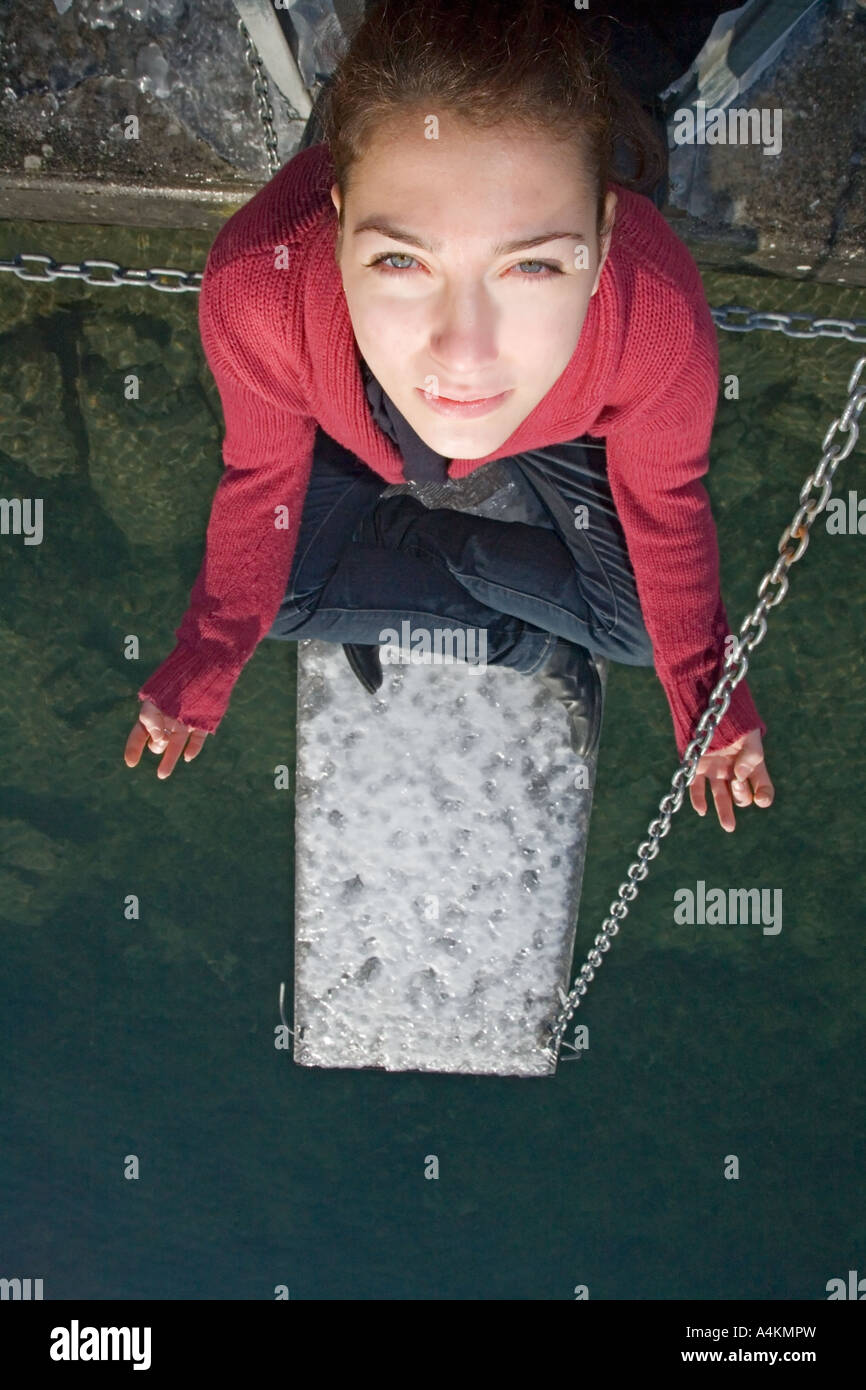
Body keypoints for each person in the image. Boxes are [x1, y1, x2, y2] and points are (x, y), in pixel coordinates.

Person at [124, 0, 774, 832]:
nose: (464, 355)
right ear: (335, 224)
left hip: (556, 422)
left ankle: (418, 540)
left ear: (606, 239)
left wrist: (704, 692)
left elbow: (666, 504)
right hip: (359, 418)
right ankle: (510, 628)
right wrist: (210, 653)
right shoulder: (260, 289)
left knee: (650, 633)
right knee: (264, 602)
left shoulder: (653, 318)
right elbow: (262, 477)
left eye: (534, 266)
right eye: (400, 258)